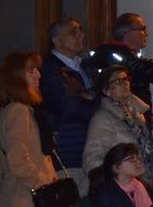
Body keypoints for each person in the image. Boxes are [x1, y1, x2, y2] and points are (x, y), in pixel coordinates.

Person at [0, 52, 58, 207]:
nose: (38, 76)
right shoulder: (18, 111)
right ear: (16, 77)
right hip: (24, 196)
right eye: (31, 71)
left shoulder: (19, 109)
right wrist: (43, 182)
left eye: (37, 70)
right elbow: (19, 159)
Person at [83, 66, 153, 201]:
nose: (125, 83)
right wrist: (115, 180)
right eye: (118, 81)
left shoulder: (135, 113)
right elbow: (91, 158)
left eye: (125, 79)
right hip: (122, 188)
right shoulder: (103, 118)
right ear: (106, 90)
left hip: (144, 182)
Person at [41, 16, 97, 192]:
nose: (81, 35)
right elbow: (64, 107)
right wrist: (94, 105)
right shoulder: (49, 69)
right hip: (68, 149)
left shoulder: (85, 66)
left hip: (90, 150)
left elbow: (101, 95)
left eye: (81, 30)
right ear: (56, 40)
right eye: (73, 32)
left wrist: (88, 97)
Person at [87, 143, 153, 207]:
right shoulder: (104, 194)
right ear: (116, 167)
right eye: (131, 159)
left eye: (138, 158)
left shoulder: (141, 186)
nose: (138, 162)